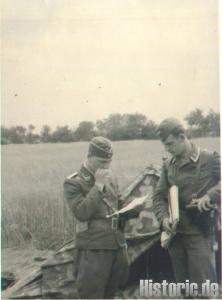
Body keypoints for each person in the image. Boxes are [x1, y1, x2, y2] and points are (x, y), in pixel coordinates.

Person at [153, 118, 220, 298]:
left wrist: (210, 195)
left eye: (170, 144)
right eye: (165, 145)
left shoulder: (209, 158)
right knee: (185, 289)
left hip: (199, 232)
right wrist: (163, 218)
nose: (167, 148)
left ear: (182, 137)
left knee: (204, 288)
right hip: (176, 235)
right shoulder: (168, 165)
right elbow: (158, 196)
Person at [63, 136, 129, 299]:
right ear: (89, 157)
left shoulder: (110, 177)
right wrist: (98, 185)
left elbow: (117, 204)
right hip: (93, 249)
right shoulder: (74, 182)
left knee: (111, 294)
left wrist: (134, 207)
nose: (106, 167)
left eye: (108, 162)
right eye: (101, 162)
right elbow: (81, 213)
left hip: (115, 244)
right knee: (91, 295)